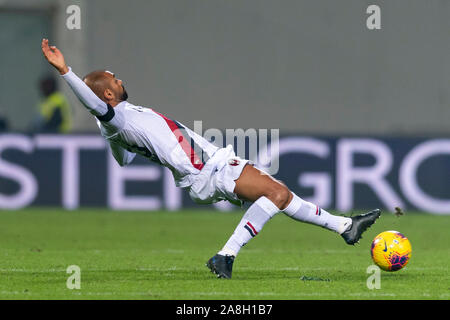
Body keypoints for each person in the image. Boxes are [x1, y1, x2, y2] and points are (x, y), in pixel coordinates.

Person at [41, 38, 380, 279]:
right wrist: (66, 71)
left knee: (282, 195)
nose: (121, 79)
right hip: (209, 167)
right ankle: (226, 256)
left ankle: (345, 226)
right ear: (109, 95)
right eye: (115, 80)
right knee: (275, 195)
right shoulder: (117, 118)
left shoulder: (115, 126)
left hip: (203, 172)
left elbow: (124, 161)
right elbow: (95, 106)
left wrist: (118, 139)